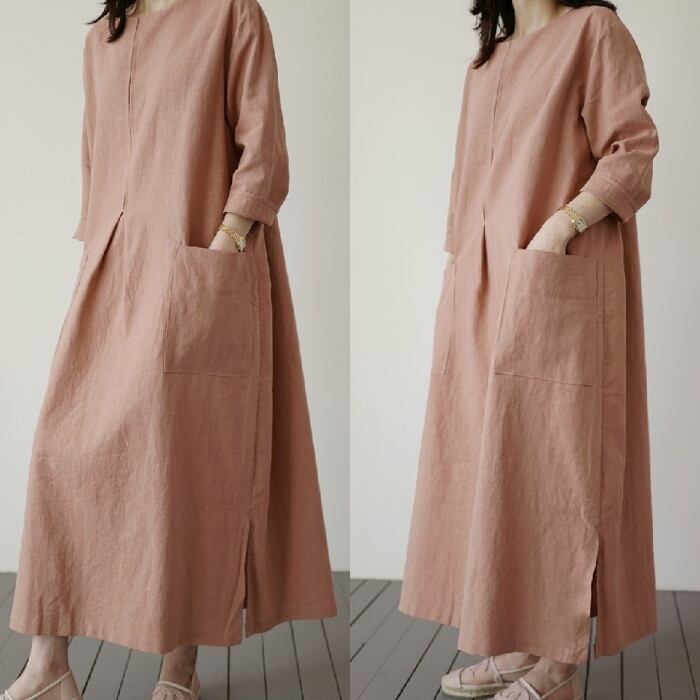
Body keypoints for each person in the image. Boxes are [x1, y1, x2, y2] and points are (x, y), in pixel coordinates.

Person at [5, 1, 336, 698]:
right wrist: (99, 257)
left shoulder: (230, 13)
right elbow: (97, 158)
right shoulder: (104, 36)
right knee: (61, 452)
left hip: (203, 265)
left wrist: (227, 240)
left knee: (188, 463)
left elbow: (264, 147)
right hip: (114, 272)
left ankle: (178, 669)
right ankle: (48, 664)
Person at [400, 1, 659, 698]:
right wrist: (458, 272)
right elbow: (466, 187)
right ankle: (520, 646)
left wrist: (560, 228)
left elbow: (632, 149)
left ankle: (558, 665)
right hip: (481, 291)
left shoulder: (594, 31)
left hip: (559, 277)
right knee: (497, 463)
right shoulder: (486, 64)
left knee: (560, 462)